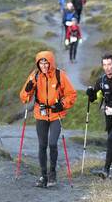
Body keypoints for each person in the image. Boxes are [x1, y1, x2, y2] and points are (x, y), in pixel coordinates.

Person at [20, 51, 77, 188]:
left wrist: (62, 105)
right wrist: (27, 90)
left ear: (51, 62)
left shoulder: (60, 75)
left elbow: (71, 95)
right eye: (41, 63)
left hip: (56, 114)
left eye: (46, 62)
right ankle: (43, 175)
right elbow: (24, 97)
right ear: (38, 64)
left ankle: (52, 173)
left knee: (52, 143)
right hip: (40, 114)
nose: (44, 65)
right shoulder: (35, 76)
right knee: (42, 145)